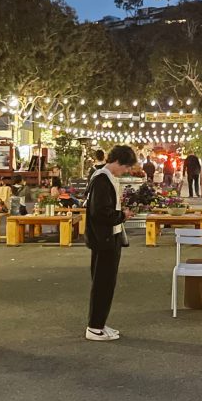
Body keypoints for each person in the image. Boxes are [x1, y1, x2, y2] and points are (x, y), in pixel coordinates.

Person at [84, 144, 138, 340]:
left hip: (107, 237)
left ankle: (99, 323)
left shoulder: (103, 177)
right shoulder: (102, 180)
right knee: (103, 283)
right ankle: (94, 327)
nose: (126, 171)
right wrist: (121, 215)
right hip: (104, 238)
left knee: (106, 283)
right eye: (126, 167)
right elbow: (100, 212)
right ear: (117, 161)